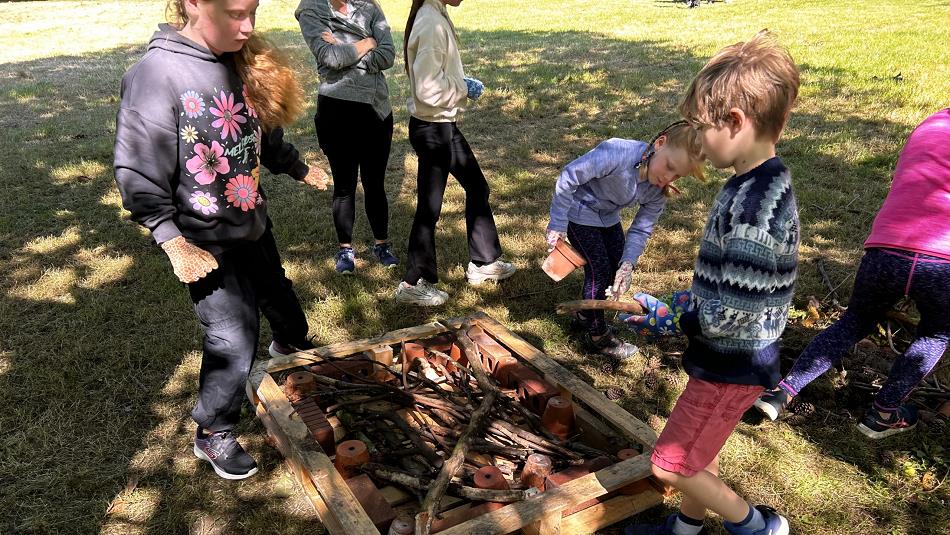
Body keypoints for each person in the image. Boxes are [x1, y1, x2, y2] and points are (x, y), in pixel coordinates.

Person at [114, 0, 330, 480]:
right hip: (201, 238)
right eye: (235, 13)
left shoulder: (239, 59)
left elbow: (260, 131)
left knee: (283, 303)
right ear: (193, 4)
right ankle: (213, 433)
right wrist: (171, 240)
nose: (248, 26)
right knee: (233, 336)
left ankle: (286, 351)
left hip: (250, 220)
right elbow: (137, 167)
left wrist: (295, 166)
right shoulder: (156, 75)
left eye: (252, 10)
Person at [625, 31, 800, 535]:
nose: (697, 140)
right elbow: (728, 289)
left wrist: (669, 317)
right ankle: (686, 527)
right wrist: (678, 304)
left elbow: (734, 313)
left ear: (735, 122)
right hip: (729, 355)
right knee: (700, 452)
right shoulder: (752, 182)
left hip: (733, 362)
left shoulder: (753, 210)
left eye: (702, 127)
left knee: (670, 463)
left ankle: (757, 527)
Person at [754, 109, 950, 439]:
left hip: (887, 244)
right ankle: (884, 414)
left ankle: (783, 392)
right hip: (943, 260)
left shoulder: (932, 124)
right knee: (935, 335)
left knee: (855, 321)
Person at [545, 122, 705, 361]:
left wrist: (628, 263)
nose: (668, 178)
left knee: (615, 266)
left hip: (607, 218)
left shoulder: (658, 190)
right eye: (669, 166)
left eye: (678, 175)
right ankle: (598, 336)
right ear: (659, 144)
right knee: (598, 272)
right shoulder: (617, 153)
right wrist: (557, 222)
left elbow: (641, 229)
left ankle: (585, 315)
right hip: (579, 212)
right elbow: (569, 176)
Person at [394, 0, 515, 306]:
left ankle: (483, 263)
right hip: (433, 130)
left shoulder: (435, 14)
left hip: (441, 126)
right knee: (429, 208)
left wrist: (459, 83)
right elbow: (427, 90)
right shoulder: (430, 22)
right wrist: (462, 87)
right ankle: (412, 284)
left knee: (477, 187)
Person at [296, 0, 399, 274]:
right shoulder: (312, 9)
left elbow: (388, 55)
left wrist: (346, 52)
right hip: (337, 112)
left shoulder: (369, 7)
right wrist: (367, 43)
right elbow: (330, 58)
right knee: (344, 185)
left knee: (375, 182)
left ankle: (381, 244)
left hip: (377, 109)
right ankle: (345, 249)